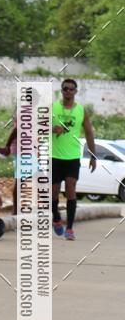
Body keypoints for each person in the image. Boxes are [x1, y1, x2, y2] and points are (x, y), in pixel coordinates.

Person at [51, 78, 96, 240]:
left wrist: (93, 155)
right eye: (65, 89)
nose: (68, 91)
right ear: (61, 91)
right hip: (54, 157)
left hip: (72, 157)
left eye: (71, 89)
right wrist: (51, 128)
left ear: (76, 91)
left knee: (71, 190)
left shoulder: (81, 110)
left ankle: (69, 228)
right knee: (53, 193)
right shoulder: (53, 107)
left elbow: (89, 132)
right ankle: (56, 218)